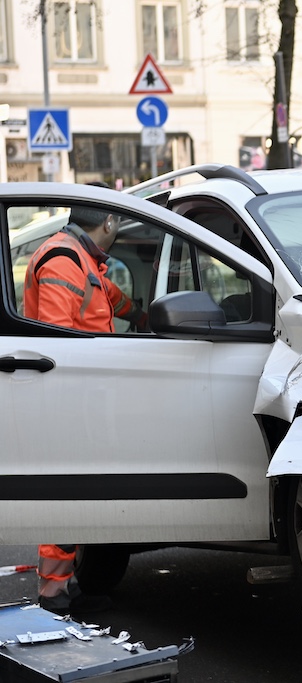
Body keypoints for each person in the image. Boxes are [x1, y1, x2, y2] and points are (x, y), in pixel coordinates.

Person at [24, 188, 145, 615]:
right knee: (66, 492)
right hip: (68, 397)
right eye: (119, 221)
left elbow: (107, 297)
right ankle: (53, 594)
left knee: (80, 490)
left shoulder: (81, 259)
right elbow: (57, 339)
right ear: (109, 222)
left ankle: (66, 585)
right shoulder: (63, 259)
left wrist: (143, 315)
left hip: (82, 395)